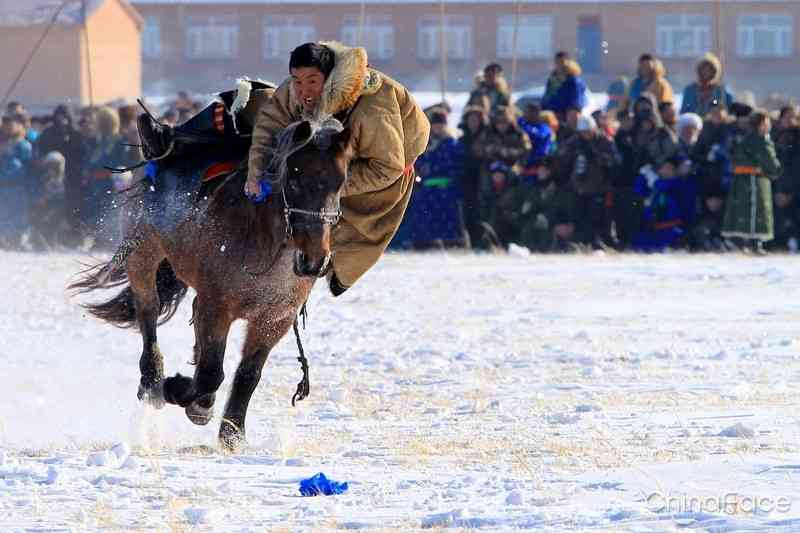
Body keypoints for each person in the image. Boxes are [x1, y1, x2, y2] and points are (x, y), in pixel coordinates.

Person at [245, 42, 429, 295]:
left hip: (385, 164)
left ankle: (334, 270)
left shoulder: (373, 108)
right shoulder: (295, 89)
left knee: (354, 239)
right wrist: (255, 175)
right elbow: (268, 127)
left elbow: (387, 167)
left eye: (312, 82)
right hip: (327, 151)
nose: (304, 90)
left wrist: (328, 188)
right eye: (297, 81)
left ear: (330, 78)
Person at [721, 110, 781, 254]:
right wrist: (774, 171)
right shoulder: (761, 141)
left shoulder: (744, 139)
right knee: (756, 211)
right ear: (761, 125)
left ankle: (739, 240)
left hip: (740, 180)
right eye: (766, 123)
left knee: (742, 210)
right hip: (755, 180)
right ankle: (755, 242)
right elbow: (770, 162)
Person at [557, 115, 615, 247]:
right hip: (578, 187)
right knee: (578, 216)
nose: (586, 135)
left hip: (599, 187)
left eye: (588, 132)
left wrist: (596, 155)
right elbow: (563, 158)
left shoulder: (604, 141)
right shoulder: (574, 142)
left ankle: (598, 242)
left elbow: (613, 161)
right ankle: (579, 242)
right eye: (583, 132)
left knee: (597, 217)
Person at [0, 114, 33, 248]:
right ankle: (5, 240)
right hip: (3, 188)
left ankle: (19, 240)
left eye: (11, 124)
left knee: (18, 215)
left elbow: (30, 168)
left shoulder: (24, 145)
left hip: (18, 188)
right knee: (4, 216)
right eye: (6, 124)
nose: (8, 127)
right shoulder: (2, 145)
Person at [771, 106, 800, 250]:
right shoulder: (772, 137)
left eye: (793, 117)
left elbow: (795, 169)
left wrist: (790, 193)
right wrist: (777, 191)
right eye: (787, 117)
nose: (790, 120)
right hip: (775, 190)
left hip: (794, 191)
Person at [541, 52, 588, 120]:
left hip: (565, 117)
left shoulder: (573, 81)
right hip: (551, 116)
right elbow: (546, 97)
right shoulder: (552, 80)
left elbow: (576, 103)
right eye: (557, 62)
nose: (559, 65)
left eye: (562, 62)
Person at [517, 103, 554, 178]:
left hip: (541, 161)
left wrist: (525, 127)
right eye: (525, 112)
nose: (525, 115)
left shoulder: (544, 127)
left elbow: (539, 136)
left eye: (527, 113)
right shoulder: (523, 123)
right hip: (527, 159)